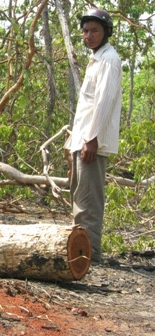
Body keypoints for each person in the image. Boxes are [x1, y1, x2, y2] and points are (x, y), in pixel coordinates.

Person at [69, 9, 122, 264]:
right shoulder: (96, 58)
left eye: (94, 31)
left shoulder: (109, 60)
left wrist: (92, 139)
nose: (88, 35)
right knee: (79, 197)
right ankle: (80, 251)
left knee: (89, 201)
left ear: (106, 33)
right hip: (82, 139)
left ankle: (91, 255)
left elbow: (104, 102)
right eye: (85, 31)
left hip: (92, 141)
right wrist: (77, 140)